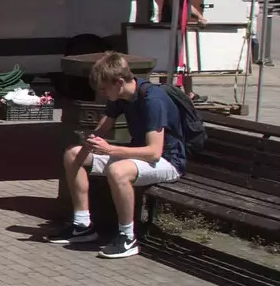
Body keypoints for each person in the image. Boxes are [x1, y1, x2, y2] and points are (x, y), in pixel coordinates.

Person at [47, 52, 185, 259]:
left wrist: (110, 150)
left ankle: (127, 237)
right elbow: (103, 128)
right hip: (138, 157)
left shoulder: (152, 100)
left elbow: (154, 152)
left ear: (119, 82)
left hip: (168, 161)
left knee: (117, 170)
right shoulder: (120, 96)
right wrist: (89, 142)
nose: (102, 93)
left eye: (104, 88)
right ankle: (83, 225)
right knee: (72, 155)